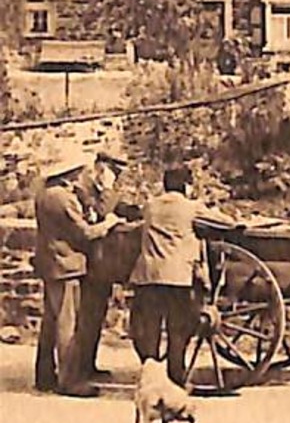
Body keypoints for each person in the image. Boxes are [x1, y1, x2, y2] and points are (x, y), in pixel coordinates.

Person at [129, 167, 231, 389]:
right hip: (177, 278)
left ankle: (149, 380)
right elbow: (226, 223)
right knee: (178, 331)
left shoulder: (150, 206)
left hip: (148, 276)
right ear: (186, 186)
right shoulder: (191, 208)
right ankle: (176, 379)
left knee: (150, 332)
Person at [33, 151, 122, 397]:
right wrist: (109, 224)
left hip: (51, 264)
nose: (81, 175)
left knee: (50, 323)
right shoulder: (63, 198)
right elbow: (85, 234)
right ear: (69, 175)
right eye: (78, 172)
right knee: (67, 324)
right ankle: (69, 382)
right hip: (65, 266)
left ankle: (45, 376)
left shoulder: (45, 194)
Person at [75, 148, 137, 381]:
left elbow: (118, 207)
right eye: (114, 170)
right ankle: (79, 370)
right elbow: (101, 212)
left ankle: (88, 366)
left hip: (101, 266)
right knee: (86, 318)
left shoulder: (102, 189)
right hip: (86, 262)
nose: (117, 176)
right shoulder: (84, 189)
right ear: (102, 167)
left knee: (95, 316)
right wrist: (109, 188)